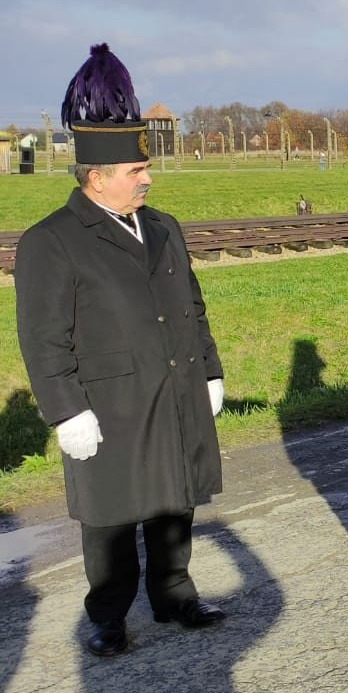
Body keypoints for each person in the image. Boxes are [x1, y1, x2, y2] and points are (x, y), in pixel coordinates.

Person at [16, 44, 228, 659]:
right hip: (108, 401)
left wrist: (209, 371)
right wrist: (66, 411)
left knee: (174, 497)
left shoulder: (164, 227)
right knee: (109, 515)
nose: (148, 178)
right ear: (97, 178)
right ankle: (108, 616)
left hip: (174, 384)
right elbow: (42, 335)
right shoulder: (52, 241)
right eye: (136, 171)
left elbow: (192, 306)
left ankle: (175, 595)